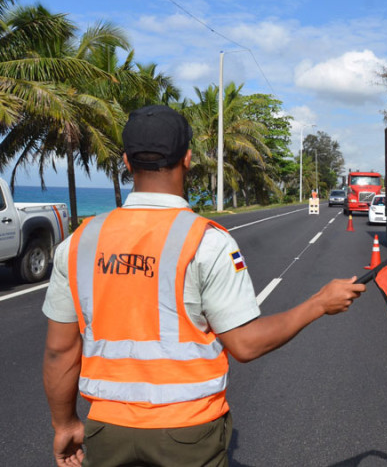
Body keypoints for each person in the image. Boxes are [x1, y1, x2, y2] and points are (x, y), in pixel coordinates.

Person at [42, 104, 366, 467]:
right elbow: (245, 344)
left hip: (106, 430)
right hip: (187, 432)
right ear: (188, 158)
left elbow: (60, 350)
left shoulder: (79, 243)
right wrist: (318, 303)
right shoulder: (206, 241)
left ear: (127, 162)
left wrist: (64, 423)